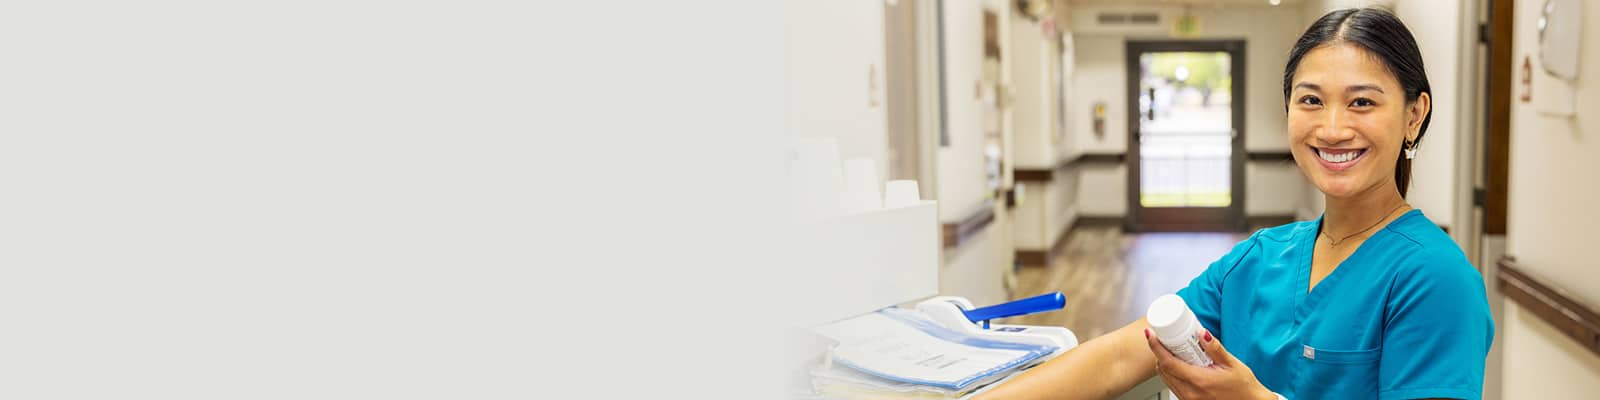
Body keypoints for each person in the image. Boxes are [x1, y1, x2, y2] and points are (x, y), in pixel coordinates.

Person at [977, 8, 1493, 400]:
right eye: (1311, 100)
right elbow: (1120, 355)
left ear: (1414, 115)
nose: (1333, 128)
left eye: (1362, 102)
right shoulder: (1262, 258)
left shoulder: (1434, 279)